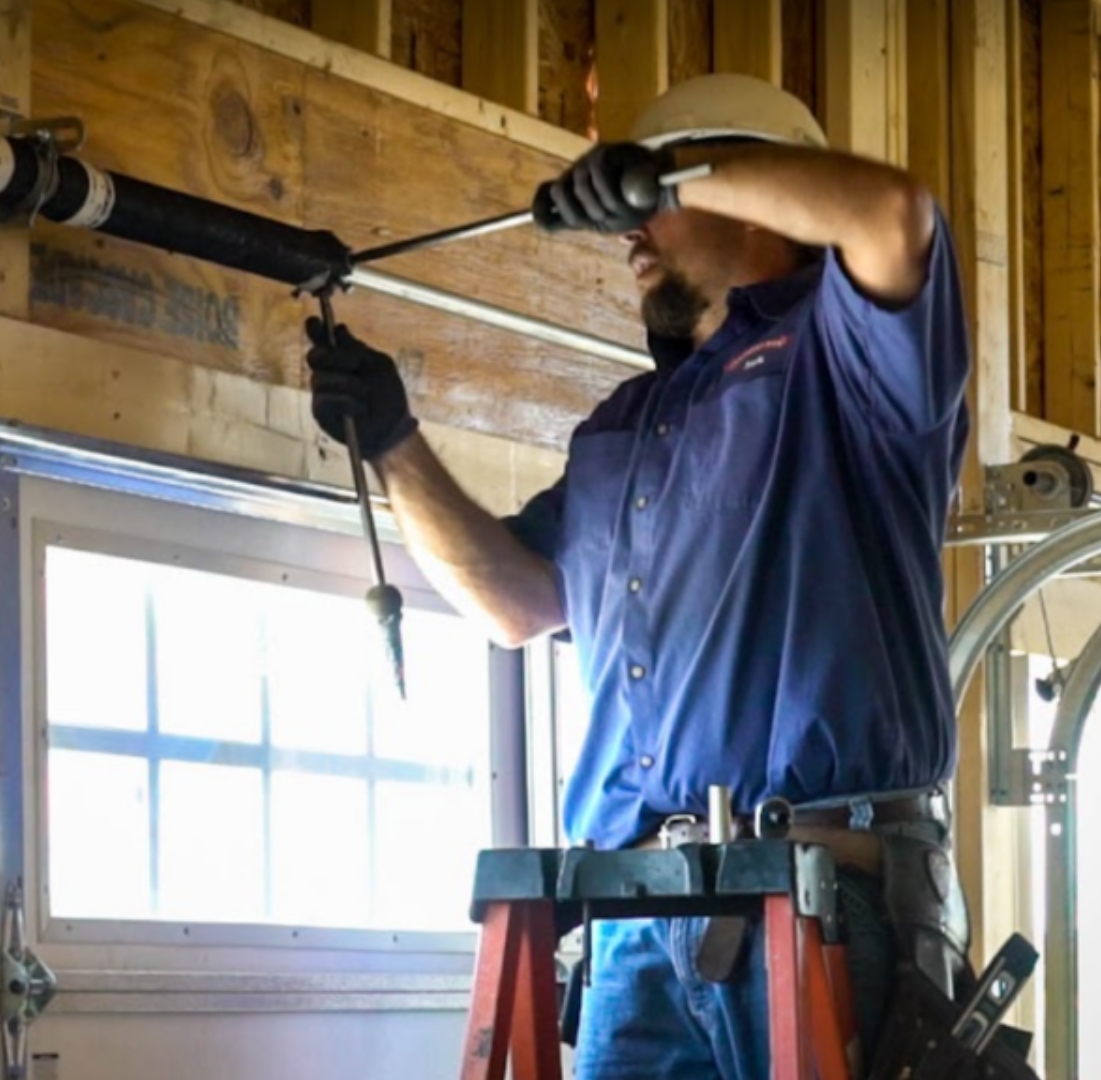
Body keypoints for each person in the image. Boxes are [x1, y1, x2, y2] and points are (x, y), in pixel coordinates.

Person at [304, 74, 972, 1079]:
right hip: (632, 920)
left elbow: (891, 213)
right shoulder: (623, 426)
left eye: (651, 205)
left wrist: (674, 173)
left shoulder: (846, 361)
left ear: (748, 193)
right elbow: (514, 605)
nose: (630, 235)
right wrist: (396, 443)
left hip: (816, 897)